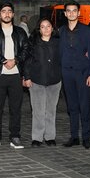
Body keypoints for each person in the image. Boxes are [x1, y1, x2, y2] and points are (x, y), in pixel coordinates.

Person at [0, 1, 30, 149]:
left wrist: (15, 60)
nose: (7, 14)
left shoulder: (20, 32)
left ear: (13, 14)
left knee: (15, 108)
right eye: (4, 11)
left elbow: (26, 50)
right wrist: (4, 60)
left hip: (16, 75)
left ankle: (15, 137)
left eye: (9, 11)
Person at [59, 1, 90, 149]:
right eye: (69, 11)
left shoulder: (87, 31)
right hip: (66, 72)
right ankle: (74, 137)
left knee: (84, 106)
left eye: (74, 10)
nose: (72, 13)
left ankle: (86, 137)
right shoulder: (60, 31)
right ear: (65, 13)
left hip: (83, 73)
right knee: (72, 106)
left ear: (79, 13)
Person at [24, 17, 62, 147]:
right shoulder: (33, 43)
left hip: (54, 81)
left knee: (51, 110)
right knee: (38, 110)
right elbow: (27, 61)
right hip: (37, 80)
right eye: (42, 27)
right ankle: (37, 137)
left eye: (48, 26)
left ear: (52, 28)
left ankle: (50, 136)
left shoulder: (58, 43)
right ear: (39, 29)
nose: (46, 29)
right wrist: (26, 77)